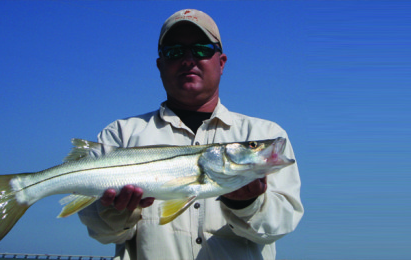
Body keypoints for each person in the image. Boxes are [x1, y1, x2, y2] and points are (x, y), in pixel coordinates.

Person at [78, 9, 303, 260]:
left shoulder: (266, 133)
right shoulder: (118, 135)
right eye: (174, 51)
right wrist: (115, 213)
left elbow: (280, 226)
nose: (188, 59)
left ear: (221, 62)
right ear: (160, 65)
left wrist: (246, 204)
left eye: (201, 49)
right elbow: (102, 233)